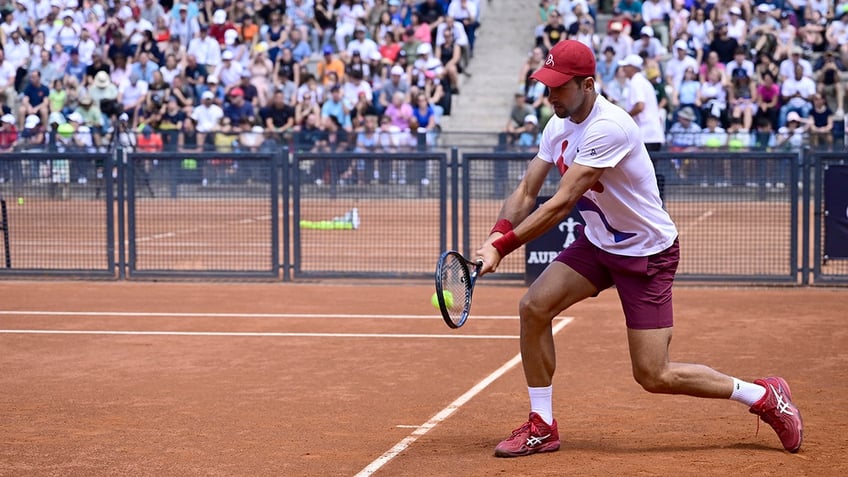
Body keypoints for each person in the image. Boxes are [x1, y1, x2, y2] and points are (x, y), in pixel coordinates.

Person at [473, 40, 803, 459]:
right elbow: (526, 190)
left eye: (559, 87)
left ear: (588, 84)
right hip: (598, 245)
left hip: (646, 253)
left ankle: (762, 395)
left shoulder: (610, 126)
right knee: (533, 307)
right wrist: (496, 233)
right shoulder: (556, 125)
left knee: (653, 374)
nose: (550, 95)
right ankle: (542, 426)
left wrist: (503, 247)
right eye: (546, 86)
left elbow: (560, 202)